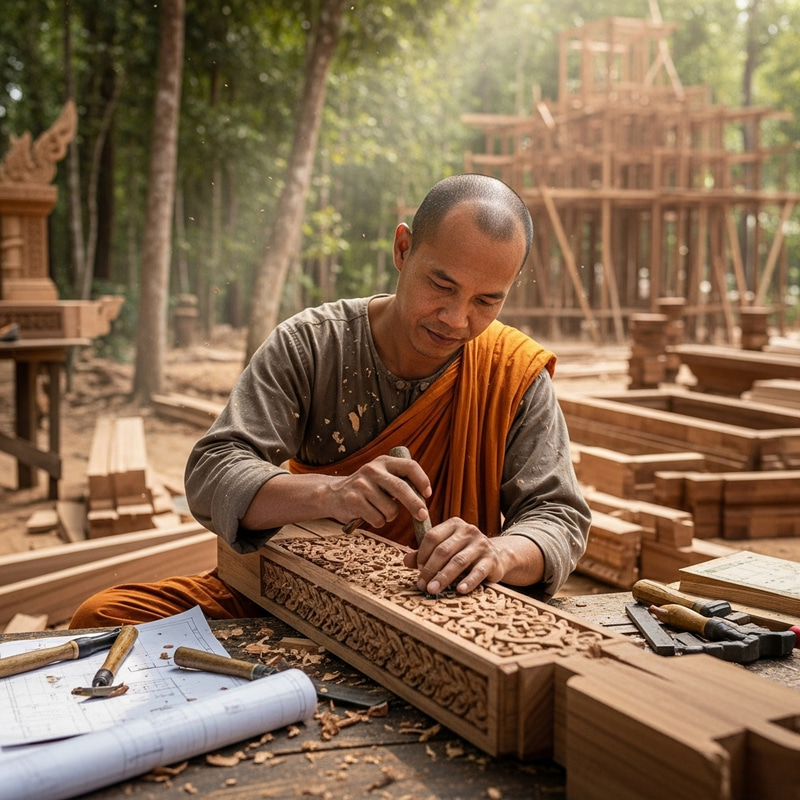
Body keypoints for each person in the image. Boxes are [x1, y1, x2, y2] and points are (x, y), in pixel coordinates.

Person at [70, 173, 590, 628]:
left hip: (443, 609)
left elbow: (559, 517)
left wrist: (497, 553)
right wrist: (330, 495)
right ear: (403, 249)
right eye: (442, 284)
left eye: (486, 301)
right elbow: (212, 471)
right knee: (100, 618)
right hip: (303, 596)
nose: (456, 319)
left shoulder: (512, 373)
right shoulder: (314, 345)